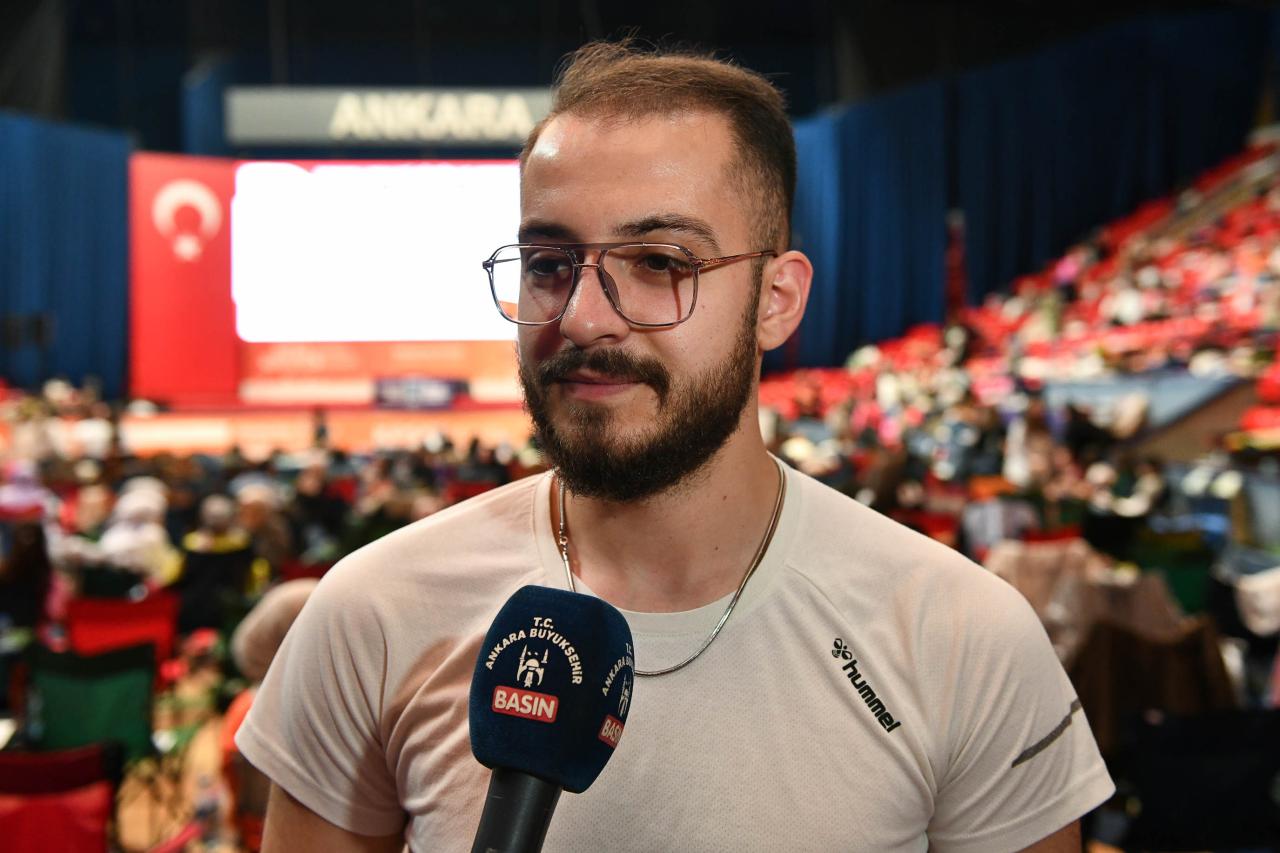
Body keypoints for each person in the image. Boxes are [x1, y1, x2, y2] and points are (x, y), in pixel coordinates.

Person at [238, 41, 1113, 852]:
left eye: (659, 262)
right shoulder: (370, 613)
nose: (583, 316)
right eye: (547, 264)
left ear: (777, 299)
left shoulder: (965, 636)